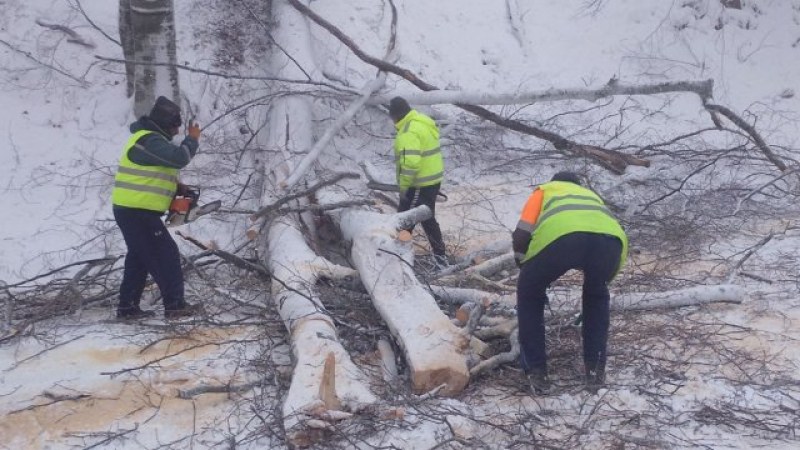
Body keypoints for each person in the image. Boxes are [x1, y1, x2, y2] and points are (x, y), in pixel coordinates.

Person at [512, 171, 628, 394]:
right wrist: (603, 281)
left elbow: (521, 233)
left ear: (555, 181)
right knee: (596, 296)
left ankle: (536, 372)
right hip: (610, 243)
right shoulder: (590, 195)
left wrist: (524, 267)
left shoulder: (545, 190)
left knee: (529, 294)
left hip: (562, 238)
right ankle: (595, 372)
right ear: (578, 184)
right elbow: (610, 236)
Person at [111, 96, 203, 320]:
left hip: (134, 210)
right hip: (136, 212)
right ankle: (175, 306)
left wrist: (177, 187)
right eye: (175, 126)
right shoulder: (149, 141)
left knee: (139, 258)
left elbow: (155, 173)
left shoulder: (151, 142)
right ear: (165, 123)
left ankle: (127, 308)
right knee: (166, 254)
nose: (176, 130)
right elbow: (179, 158)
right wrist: (192, 139)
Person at [388, 96, 448, 269]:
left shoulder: (408, 131)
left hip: (418, 183)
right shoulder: (422, 121)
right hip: (432, 180)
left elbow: (411, 163)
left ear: (397, 116)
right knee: (428, 218)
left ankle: (397, 259)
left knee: (404, 220)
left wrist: (404, 187)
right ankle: (440, 258)